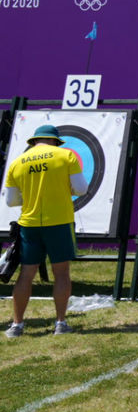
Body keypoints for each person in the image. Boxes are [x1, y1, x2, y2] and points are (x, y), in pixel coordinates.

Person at [4, 124, 88, 337]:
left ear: (34, 141)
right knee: (61, 273)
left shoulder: (17, 163)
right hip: (59, 222)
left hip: (29, 224)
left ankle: (17, 325)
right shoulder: (65, 156)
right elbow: (80, 189)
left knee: (26, 274)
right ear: (54, 141)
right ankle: (60, 323)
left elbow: (11, 201)